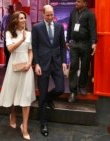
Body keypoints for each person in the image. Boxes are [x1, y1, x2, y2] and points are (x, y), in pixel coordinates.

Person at [0, 11, 35, 140]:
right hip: (13, 66)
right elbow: (10, 49)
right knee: (13, 93)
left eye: (24, 18)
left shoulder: (29, 33)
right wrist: (22, 39)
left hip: (26, 67)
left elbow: (30, 51)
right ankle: (12, 114)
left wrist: (30, 63)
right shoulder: (9, 33)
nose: (24, 20)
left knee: (25, 96)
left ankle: (24, 126)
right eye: (21, 18)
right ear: (15, 20)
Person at [32, 5, 67, 137]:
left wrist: (64, 61)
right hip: (42, 64)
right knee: (42, 94)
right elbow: (34, 47)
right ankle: (43, 124)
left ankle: (48, 99)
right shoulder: (37, 28)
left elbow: (63, 46)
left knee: (60, 88)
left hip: (57, 63)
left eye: (52, 15)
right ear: (43, 14)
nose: (50, 17)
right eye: (48, 15)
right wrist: (36, 64)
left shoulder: (58, 27)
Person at [66, 0, 97, 102]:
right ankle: (73, 91)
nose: (76, 3)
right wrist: (67, 40)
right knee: (74, 65)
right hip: (74, 43)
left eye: (79, 1)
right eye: (76, 1)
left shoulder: (90, 14)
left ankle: (82, 86)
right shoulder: (72, 12)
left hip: (86, 43)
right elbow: (70, 25)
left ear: (84, 3)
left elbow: (93, 29)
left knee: (85, 66)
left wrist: (94, 43)